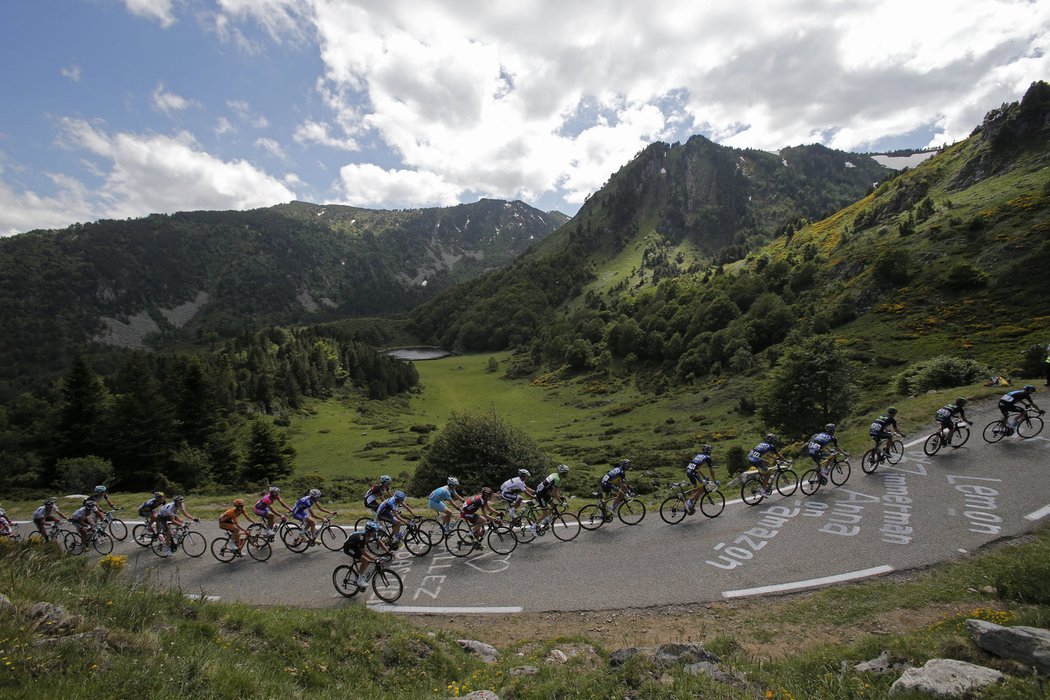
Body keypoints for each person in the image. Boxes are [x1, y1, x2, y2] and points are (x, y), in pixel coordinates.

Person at [341, 520, 390, 590]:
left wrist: (387, 551)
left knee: (368, 561)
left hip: (355, 545)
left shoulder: (370, 534)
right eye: (374, 532)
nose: (375, 533)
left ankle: (361, 574)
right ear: (369, 532)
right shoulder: (361, 538)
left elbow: (380, 542)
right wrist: (375, 559)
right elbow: (363, 552)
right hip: (349, 547)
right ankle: (360, 581)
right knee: (365, 560)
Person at [532, 464, 569, 536]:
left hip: (544, 493)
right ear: (562, 472)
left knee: (553, 506)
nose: (567, 474)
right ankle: (533, 527)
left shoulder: (555, 475)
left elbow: (553, 491)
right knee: (545, 513)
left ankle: (545, 520)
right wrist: (561, 502)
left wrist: (560, 497)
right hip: (541, 494)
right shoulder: (557, 479)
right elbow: (554, 493)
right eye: (566, 472)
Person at [684, 445, 717, 515]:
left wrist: (704, 477)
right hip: (693, 472)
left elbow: (698, 469)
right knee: (701, 489)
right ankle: (689, 502)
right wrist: (714, 481)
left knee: (696, 488)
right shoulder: (708, 458)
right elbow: (711, 471)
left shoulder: (699, 455)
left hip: (689, 471)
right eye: (710, 450)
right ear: (708, 451)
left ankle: (691, 506)